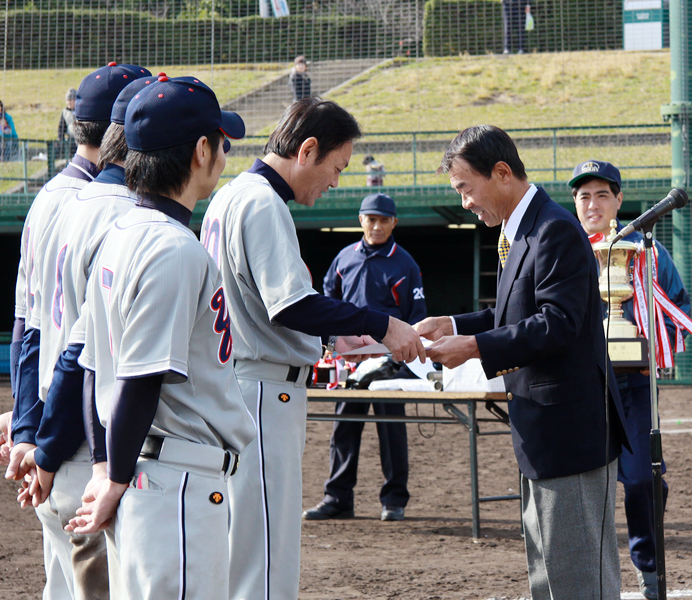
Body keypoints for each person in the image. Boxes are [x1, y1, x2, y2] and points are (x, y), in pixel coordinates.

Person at [201, 97, 424, 600]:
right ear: (307, 150)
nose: (336, 181)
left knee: (244, 540)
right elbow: (289, 306)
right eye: (337, 167)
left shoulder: (232, 192)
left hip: (239, 380)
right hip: (260, 389)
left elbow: (267, 305)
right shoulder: (262, 201)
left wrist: (332, 333)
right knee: (264, 547)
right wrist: (379, 323)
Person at [415, 125, 629, 600]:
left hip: (569, 434)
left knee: (578, 581)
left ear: (502, 173)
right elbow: (515, 312)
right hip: (543, 432)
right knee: (550, 575)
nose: (465, 202)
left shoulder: (553, 228)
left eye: (466, 189)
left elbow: (558, 322)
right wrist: (453, 324)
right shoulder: (524, 227)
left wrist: (472, 347)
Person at [65, 75, 256, 600]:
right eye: (222, 140)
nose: (224, 151)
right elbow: (140, 377)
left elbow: (90, 367)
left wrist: (108, 466)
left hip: (151, 473)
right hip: (176, 481)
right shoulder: (172, 248)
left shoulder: (121, 233)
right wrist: (115, 477)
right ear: (201, 150)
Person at [5, 61, 149, 600]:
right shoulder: (113, 209)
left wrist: (27, 431)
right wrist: (42, 444)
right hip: (80, 442)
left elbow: (29, 328)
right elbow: (76, 347)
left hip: (52, 433)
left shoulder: (52, 198)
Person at [570, 159, 692, 600]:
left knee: (642, 479)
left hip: (634, 386)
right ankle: (589, 576)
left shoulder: (649, 251)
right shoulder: (563, 250)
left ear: (619, 200)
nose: (593, 203)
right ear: (575, 204)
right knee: (582, 486)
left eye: (603, 194)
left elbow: (679, 308)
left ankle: (650, 568)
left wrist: (651, 348)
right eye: (584, 195)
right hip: (580, 389)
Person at [304, 192, 426, 523]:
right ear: (361, 220)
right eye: (371, 219)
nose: (376, 226)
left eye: (383, 220)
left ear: (394, 223)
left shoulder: (406, 264)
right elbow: (325, 305)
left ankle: (394, 499)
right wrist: (329, 342)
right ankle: (338, 498)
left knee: (392, 430)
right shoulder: (344, 259)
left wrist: (403, 361)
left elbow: (417, 317)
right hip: (350, 364)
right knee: (344, 428)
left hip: (388, 363)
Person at [57, 88, 78, 159]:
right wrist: (60, 138)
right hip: (71, 141)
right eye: (67, 100)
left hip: (81, 139)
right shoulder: (65, 113)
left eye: (70, 100)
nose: (68, 102)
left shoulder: (80, 111)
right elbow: (61, 126)